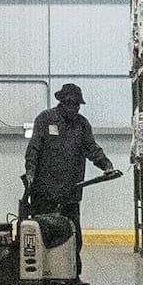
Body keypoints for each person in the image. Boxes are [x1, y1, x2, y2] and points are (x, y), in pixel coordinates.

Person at [20, 83, 115, 221]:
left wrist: (106, 165)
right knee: (44, 228)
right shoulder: (45, 119)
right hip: (44, 192)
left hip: (70, 193)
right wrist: (30, 171)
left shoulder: (82, 124)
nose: (74, 108)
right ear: (62, 102)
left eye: (77, 105)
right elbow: (33, 149)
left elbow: (91, 148)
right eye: (71, 104)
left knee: (72, 230)